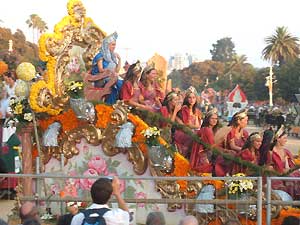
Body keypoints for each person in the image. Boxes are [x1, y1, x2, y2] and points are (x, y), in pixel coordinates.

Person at [267, 126, 300, 199]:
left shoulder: (286, 152)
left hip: (288, 174)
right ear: (278, 139)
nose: (286, 140)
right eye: (284, 138)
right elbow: (269, 169)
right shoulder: (271, 153)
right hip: (276, 177)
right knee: (291, 179)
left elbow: (293, 167)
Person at [91, 32, 123, 104]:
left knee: (119, 84)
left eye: (115, 45)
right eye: (112, 45)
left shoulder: (112, 56)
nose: (114, 47)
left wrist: (120, 59)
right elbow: (101, 70)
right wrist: (111, 72)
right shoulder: (101, 55)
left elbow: (117, 70)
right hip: (100, 78)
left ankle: (111, 104)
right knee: (119, 83)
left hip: (110, 77)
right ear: (107, 45)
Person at [215, 109, 249, 176]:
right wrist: (244, 150)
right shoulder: (230, 130)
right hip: (227, 155)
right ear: (239, 121)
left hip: (239, 153)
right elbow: (232, 146)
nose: (246, 122)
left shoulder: (244, 133)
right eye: (245, 120)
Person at [190, 108, 220, 173]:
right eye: (212, 118)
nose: (214, 120)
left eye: (216, 119)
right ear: (207, 119)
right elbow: (211, 146)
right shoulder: (207, 130)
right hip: (204, 158)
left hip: (208, 155)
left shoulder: (211, 130)